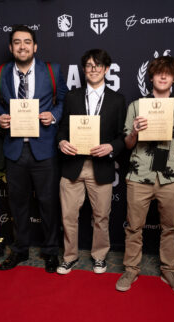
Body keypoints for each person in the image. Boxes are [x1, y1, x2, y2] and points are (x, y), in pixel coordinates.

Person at [115, 56, 174, 295]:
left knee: (170, 227)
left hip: (170, 178)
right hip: (139, 176)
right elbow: (128, 144)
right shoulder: (137, 106)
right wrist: (135, 133)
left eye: (168, 73)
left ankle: (169, 270)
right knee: (134, 227)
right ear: (151, 76)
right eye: (158, 72)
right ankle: (131, 269)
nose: (162, 77)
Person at [0, 25, 68, 273]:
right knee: (18, 205)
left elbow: (63, 100)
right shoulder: (0, 72)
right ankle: (20, 250)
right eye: (17, 42)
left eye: (27, 42)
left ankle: (50, 251)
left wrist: (53, 115)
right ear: (11, 47)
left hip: (44, 149)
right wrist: (1, 116)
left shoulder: (52, 71)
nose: (22, 46)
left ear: (35, 46)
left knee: (48, 204)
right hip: (14, 149)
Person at [56, 49, 126, 275]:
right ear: (84, 70)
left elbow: (123, 137)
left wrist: (111, 147)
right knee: (68, 216)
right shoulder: (73, 96)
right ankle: (69, 257)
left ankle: (99, 256)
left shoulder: (117, 100)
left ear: (106, 69)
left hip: (102, 166)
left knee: (101, 216)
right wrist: (62, 142)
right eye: (89, 66)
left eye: (98, 66)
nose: (93, 70)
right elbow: (62, 129)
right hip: (73, 165)